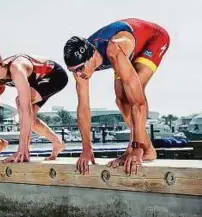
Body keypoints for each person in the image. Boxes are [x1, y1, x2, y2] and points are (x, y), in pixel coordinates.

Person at [63, 18, 170, 175]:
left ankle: (140, 148)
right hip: (128, 50)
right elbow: (83, 108)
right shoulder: (80, 68)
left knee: (132, 92)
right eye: (72, 71)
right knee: (120, 98)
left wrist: (135, 148)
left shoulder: (114, 49)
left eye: (79, 69)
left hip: (152, 39)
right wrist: (86, 149)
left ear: (92, 56)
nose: (78, 74)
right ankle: (148, 149)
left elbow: (138, 103)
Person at [0, 47, 68, 163]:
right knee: (32, 122)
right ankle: (57, 142)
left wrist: (22, 149)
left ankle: (24, 150)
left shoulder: (16, 69)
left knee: (20, 102)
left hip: (54, 75)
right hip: (35, 82)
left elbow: (25, 109)